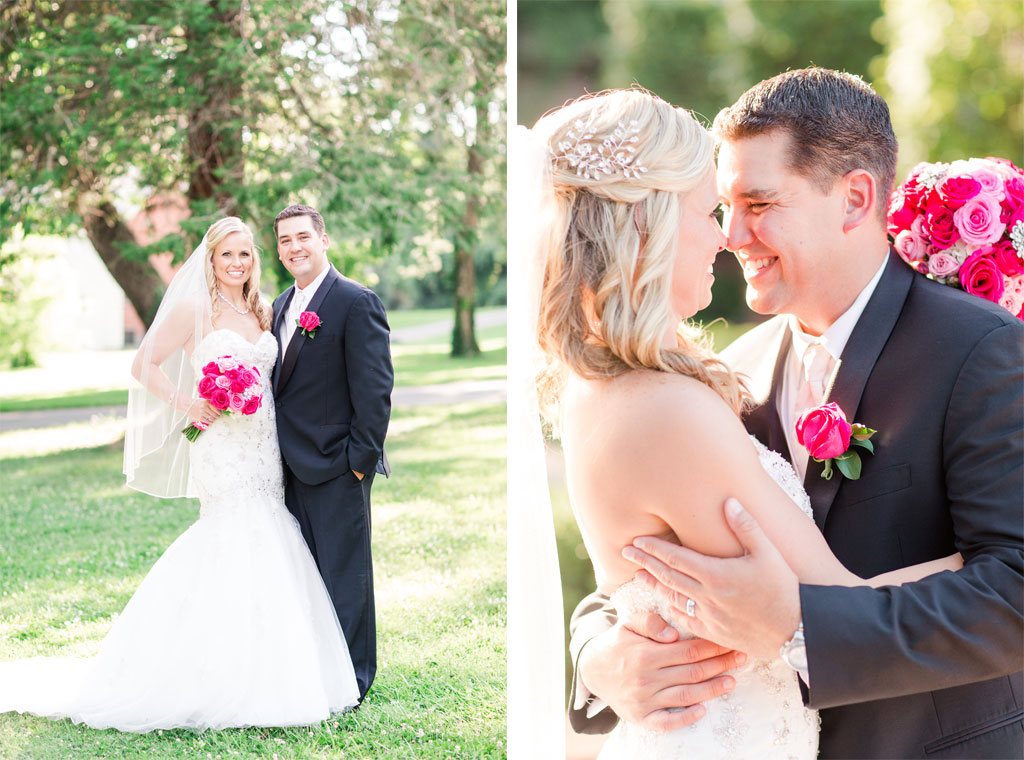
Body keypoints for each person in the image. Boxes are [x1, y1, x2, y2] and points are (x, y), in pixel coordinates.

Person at [570, 70, 1024, 758]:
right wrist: (598, 658)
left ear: (854, 199)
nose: (732, 235)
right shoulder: (729, 372)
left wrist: (796, 626)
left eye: (758, 203)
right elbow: (648, 558)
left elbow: (1015, 592)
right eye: (721, 207)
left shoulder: (978, 349)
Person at [0, 217, 360, 730]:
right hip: (220, 448)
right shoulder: (196, 309)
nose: (236, 263)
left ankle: (269, 666)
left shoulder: (263, 309)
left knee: (271, 533)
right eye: (226, 255)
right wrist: (186, 403)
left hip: (263, 448)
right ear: (210, 261)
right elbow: (143, 363)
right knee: (233, 533)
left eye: (244, 255)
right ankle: (210, 673)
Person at [270, 204, 393, 702]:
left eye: (303, 237)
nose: (294, 247)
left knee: (346, 578)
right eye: (284, 241)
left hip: (338, 467)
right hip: (285, 467)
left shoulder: (354, 301)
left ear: (324, 240)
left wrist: (358, 463)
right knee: (304, 577)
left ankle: (354, 681)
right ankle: (316, 670)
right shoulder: (280, 304)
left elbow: (375, 390)